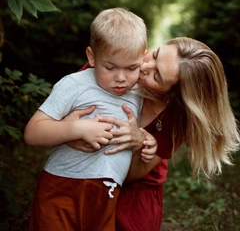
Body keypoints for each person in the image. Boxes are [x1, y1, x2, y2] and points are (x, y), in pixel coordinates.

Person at [62, 37, 240, 231]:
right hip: (89, 163)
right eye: (155, 55)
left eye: (157, 76)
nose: (145, 66)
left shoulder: (174, 117)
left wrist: (138, 144)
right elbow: (61, 109)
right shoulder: (114, 63)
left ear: (171, 95)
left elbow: (132, 176)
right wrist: (69, 129)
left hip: (137, 183)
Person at [24, 7, 153, 231]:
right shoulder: (74, 85)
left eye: (131, 68)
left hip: (108, 191)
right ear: (91, 57)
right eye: (110, 67)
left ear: (143, 58)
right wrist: (78, 128)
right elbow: (33, 133)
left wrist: (145, 142)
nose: (121, 78)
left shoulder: (140, 93)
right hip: (63, 185)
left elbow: (139, 132)